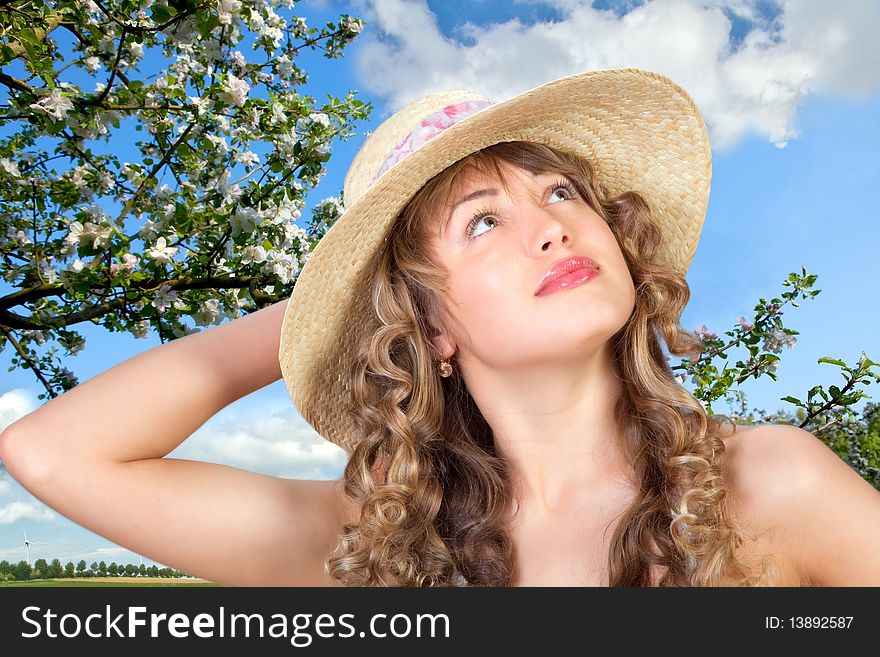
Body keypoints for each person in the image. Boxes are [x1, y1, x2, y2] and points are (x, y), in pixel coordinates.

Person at [2, 69, 879, 587]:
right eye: (483, 221)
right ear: (428, 323)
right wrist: (333, 302)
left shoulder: (767, 482)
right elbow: (53, 453)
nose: (553, 225)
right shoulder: (380, 542)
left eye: (562, 192)